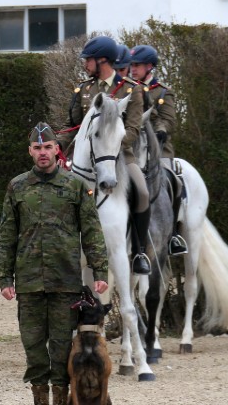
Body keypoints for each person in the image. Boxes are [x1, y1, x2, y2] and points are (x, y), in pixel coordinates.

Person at [0, 122, 109, 405]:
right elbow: (7, 234)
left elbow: (92, 230)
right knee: (33, 344)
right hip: (30, 280)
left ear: (56, 150)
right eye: (37, 148)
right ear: (30, 151)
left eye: (48, 147)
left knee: (61, 345)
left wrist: (100, 270)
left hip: (66, 280)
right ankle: (39, 404)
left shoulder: (74, 186)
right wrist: (5, 278)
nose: (43, 153)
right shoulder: (17, 186)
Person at [61, 36, 151, 276]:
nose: (85, 64)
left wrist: (111, 147)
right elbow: (72, 127)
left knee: (142, 192)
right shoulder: (84, 89)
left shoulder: (132, 90)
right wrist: (54, 146)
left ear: (103, 61)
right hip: (86, 159)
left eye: (88, 60)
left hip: (121, 156)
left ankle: (140, 251)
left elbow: (133, 129)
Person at [129, 44, 188, 256]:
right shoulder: (127, 89)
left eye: (137, 65)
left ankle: (173, 234)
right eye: (131, 65)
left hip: (159, 150)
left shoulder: (163, 92)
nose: (133, 69)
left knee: (174, 180)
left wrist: (160, 130)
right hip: (133, 148)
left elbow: (168, 120)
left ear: (149, 67)